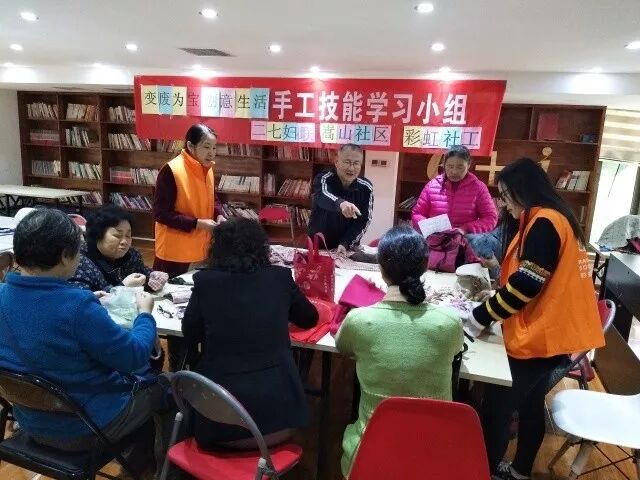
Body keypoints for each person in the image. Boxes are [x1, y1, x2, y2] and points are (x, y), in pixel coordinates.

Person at [465, 158, 605, 480]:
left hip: (541, 337)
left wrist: (481, 316)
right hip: (553, 334)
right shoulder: (553, 217)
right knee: (530, 405)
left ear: (522, 190)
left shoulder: (544, 223)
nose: (503, 203)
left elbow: (527, 285)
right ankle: (520, 471)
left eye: (505, 195)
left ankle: (485, 472)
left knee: (496, 408)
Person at [0, 209, 167, 475]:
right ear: (66, 256)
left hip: (30, 421)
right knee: (166, 388)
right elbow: (134, 355)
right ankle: (146, 470)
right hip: (85, 428)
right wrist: (144, 315)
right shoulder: (76, 306)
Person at [336, 225, 464, 477]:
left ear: (382, 270)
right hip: (434, 457)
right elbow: (454, 350)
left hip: (369, 456)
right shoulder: (449, 322)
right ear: (425, 266)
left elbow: (343, 347)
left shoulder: (359, 320)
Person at [182, 218, 318, 449]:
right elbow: (309, 318)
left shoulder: (206, 282)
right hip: (281, 422)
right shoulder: (279, 277)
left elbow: (190, 332)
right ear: (261, 247)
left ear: (217, 249)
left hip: (218, 424)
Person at [153, 123, 223, 279]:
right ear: (191, 146)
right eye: (206, 147)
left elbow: (213, 198)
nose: (211, 153)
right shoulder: (171, 170)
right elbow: (161, 214)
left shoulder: (207, 168)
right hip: (175, 253)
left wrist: (219, 214)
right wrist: (198, 223)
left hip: (201, 248)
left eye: (214, 148)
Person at [70, 204, 168, 293]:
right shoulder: (79, 262)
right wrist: (123, 287)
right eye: (117, 235)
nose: (124, 241)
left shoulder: (132, 255)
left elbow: (143, 273)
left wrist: (154, 278)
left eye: (128, 236)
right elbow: (81, 300)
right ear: (97, 235)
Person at [411, 145, 497, 235]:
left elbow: (490, 218)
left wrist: (466, 228)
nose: (454, 172)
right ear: (444, 165)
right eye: (450, 166)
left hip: (466, 240)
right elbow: (417, 214)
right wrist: (430, 227)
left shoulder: (479, 188)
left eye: (460, 167)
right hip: (435, 239)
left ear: (468, 165)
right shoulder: (432, 186)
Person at [308, 143, 374, 255]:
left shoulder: (366, 187)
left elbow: (363, 221)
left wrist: (346, 243)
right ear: (337, 162)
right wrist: (341, 204)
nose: (351, 168)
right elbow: (322, 196)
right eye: (347, 162)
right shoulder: (323, 178)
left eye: (356, 163)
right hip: (318, 246)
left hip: (346, 248)